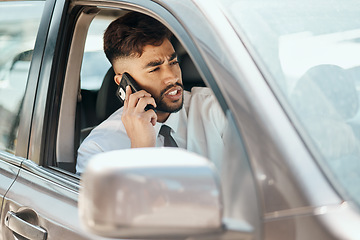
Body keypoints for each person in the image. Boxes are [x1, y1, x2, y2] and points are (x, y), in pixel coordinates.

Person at [76, 12, 227, 174]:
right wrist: (141, 150)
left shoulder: (216, 108)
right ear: (123, 83)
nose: (172, 76)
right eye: (155, 69)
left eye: (173, 62)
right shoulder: (99, 150)